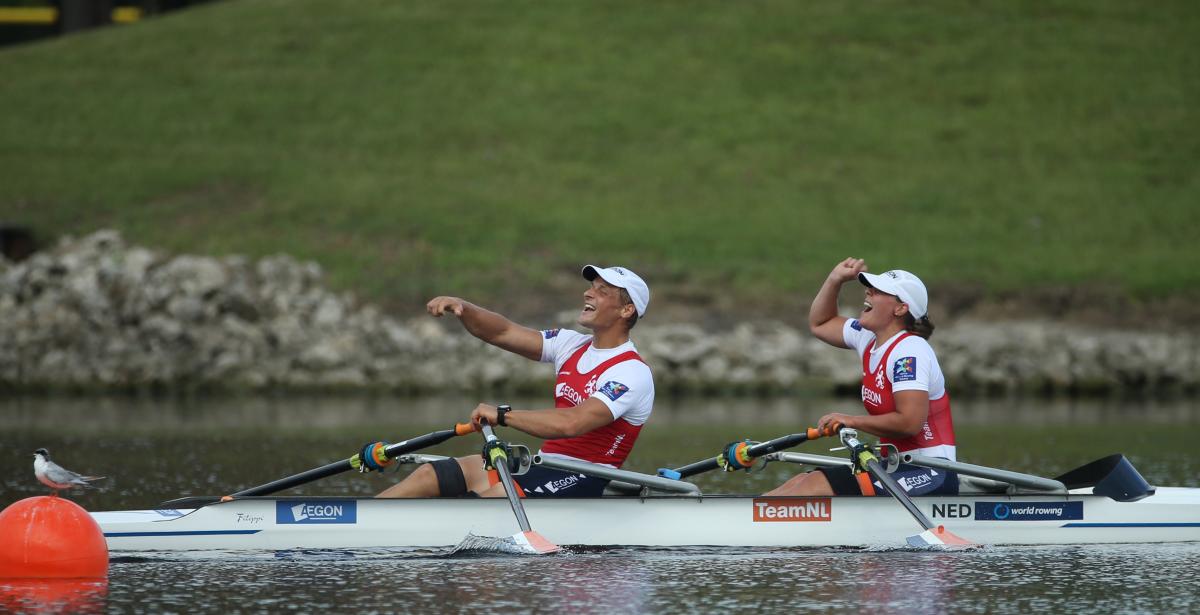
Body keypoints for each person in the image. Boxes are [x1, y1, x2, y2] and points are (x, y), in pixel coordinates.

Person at [378, 265, 654, 499]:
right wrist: (463, 307)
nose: (588, 292)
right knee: (432, 474)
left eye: (602, 291)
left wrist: (502, 416)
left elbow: (572, 423)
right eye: (592, 286)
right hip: (542, 466)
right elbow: (504, 332)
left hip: (585, 478)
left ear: (626, 310)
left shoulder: (630, 372)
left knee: (492, 499)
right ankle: (351, 522)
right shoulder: (569, 343)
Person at [766, 258, 958, 497]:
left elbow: (910, 423)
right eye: (870, 287)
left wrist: (851, 420)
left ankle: (745, 526)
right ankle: (746, 520)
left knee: (813, 485)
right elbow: (820, 323)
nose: (868, 291)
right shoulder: (867, 337)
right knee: (800, 481)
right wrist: (835, 279)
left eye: (879, 291)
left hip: (932, 472)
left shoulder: (909, 352)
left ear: (900, 308)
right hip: (896, 466)